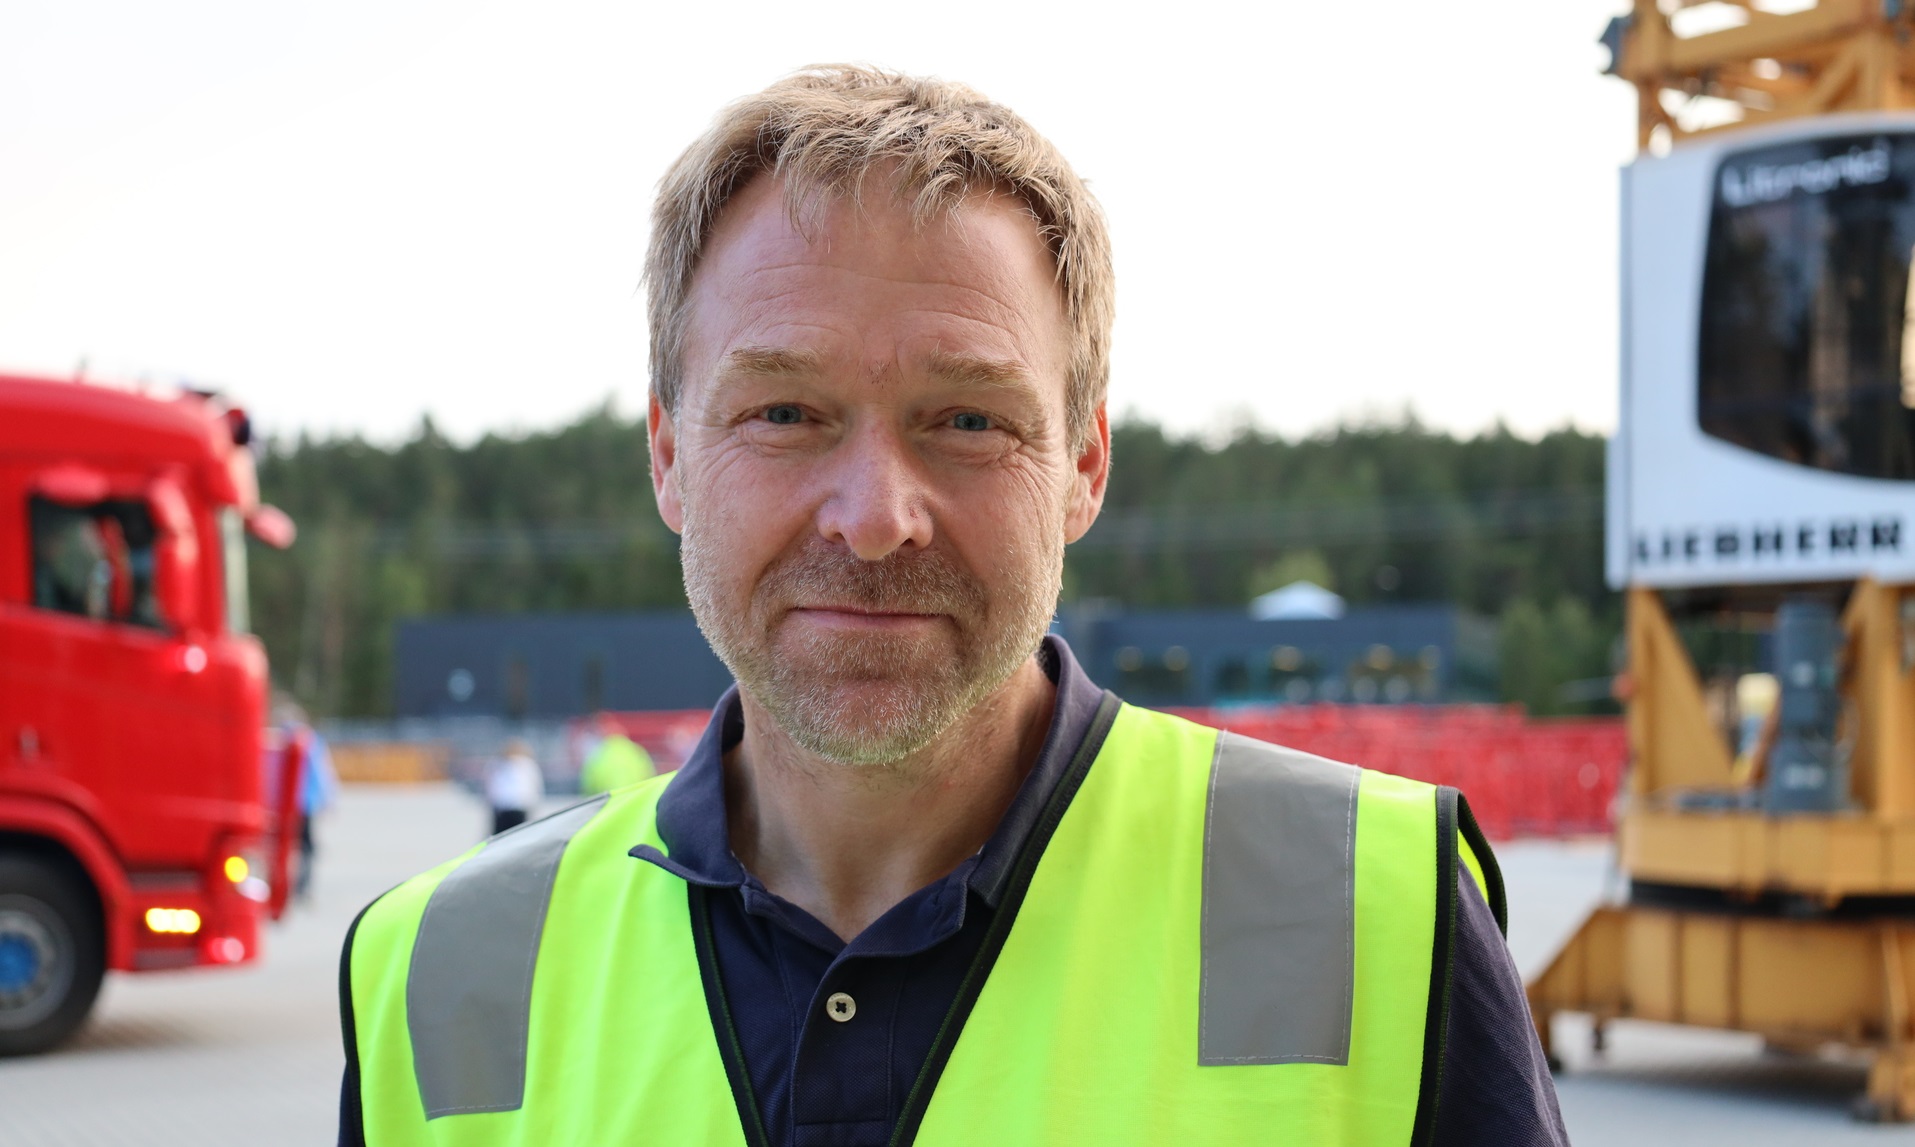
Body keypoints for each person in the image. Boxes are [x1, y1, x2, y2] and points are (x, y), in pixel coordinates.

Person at [338, 67, 1567, 1146]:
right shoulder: (446, 974)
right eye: (784, 412)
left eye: (968, 419)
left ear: (1084, 464)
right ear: (668, 455)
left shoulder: (1369, 916)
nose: (875, 517)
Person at [577, 712, 655, 794]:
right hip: (635, 799)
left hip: (610, 800)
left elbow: (589, 786)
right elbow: (649, 777)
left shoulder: (598, 754)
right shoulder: (637, 751)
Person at [483, 739, 544, 836]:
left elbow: (533, 786)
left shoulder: (526, 764)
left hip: (518, 807)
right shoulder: (497, 764)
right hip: (503, 808)